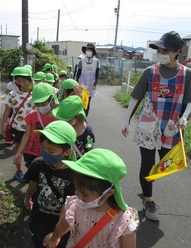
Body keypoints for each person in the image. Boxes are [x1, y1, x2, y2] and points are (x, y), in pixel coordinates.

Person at [121, 31, 191, 221]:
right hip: (148, 125)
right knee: (146, 163)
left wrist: (185, 117)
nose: (161, 53)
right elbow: (136, 96)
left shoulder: (187, 74)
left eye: (165, 50)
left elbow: (190, 100)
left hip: (171, 126)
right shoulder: (150, 71)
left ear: (177, 52)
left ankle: (149, 181)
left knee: (167, 162)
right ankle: (148, 200)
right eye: (159, 49)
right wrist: (126, 120)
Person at [43, 148, 139, 248]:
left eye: (84, 194)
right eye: (77, 190)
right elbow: (63, 225)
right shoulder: (77, 206)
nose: (79, 196)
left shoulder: (122, 221)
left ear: (108, 193)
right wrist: (54, 237)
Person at [24, 120, 77, 248]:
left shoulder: (73, 174)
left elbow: (68, 204)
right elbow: (33, 183)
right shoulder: (38, 164)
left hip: (60, 224)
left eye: (51, 151)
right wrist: (28, 198)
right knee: (38, 243)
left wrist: (56, 234)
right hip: (38, 219)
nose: (45, 153)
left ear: (66, 152)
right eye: (43, 148)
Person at [14, 83, 58, 169]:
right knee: (33, 178)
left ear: (51, 99)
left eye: (43, 103)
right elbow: (27, 135)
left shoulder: (58, 118)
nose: (40, 107)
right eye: (37, 104)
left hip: (50, 155)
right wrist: (19, 152)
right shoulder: (32, 115)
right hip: (31, 154)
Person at [1, 66, 33, 183]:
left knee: (30, 152)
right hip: (17, 128)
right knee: (18, 149)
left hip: (32, 130)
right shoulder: (12, 95)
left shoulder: (35, 95)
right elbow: (7, 111)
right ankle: (19, 171)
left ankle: (31, 172)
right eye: (18, 80)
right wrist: (4, 125)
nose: (21, 83)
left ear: (29, 80)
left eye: (24, 80)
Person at [76, 43, 100, 117]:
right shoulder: (82, 61)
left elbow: (97, 73)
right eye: (87, 50)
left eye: (89, 50)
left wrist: (95, 83)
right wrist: (77, 82)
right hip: (82, 84)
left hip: (91, 84)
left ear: (92, 51)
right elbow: (78, 73)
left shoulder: (96, 61)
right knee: (81, 100)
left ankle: (85, 117)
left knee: (87, 101)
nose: (88, 51)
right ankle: (80, 115)